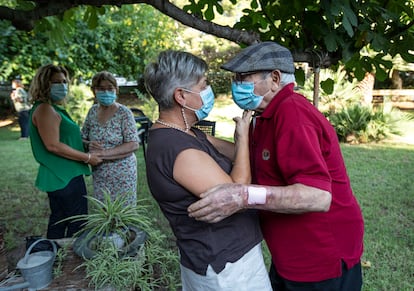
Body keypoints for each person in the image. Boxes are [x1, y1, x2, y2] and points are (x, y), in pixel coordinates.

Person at [188, 41, 365, 290]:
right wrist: (201, 139)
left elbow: (317, 197)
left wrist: (241, 196)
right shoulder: (265, 115)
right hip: (291, 253)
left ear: (274, 78)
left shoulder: (292, 113)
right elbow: (247, 156)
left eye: (244, 77)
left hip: (320, 255)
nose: (237, 84)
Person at [144, 50, 272, 291]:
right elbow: (237, 191)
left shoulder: (187, 133)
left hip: (230, 259)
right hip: (225, 268)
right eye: (203, 84)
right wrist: (243, 136)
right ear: (181, 96)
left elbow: (236, 154)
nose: (208, 90)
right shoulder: (177, 150)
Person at [29, 64, 102, 239]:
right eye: (56, 82)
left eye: (64, 82)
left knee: (60, 220)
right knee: (78, 223)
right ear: (44, 84)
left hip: (60, 176)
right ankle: (73, 262)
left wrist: (84, 143)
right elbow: (52, 145)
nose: (62, 86)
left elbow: (60, 138)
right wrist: (88, 158)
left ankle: (56, 259)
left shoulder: (51, 108)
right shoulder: (45, 109)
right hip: (64, 176)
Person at [81, 71, 139, 206]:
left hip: (123, 172)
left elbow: (133, 144)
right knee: (104, 211)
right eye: (101, 89)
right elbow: (83, 137)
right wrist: (88, 144)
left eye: (109, 88)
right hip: (100, 172)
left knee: (124, 212)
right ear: (94, 91)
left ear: (116, 90)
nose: (106, 92)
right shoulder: (92, 111)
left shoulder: (124, 113)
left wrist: (103, 154)